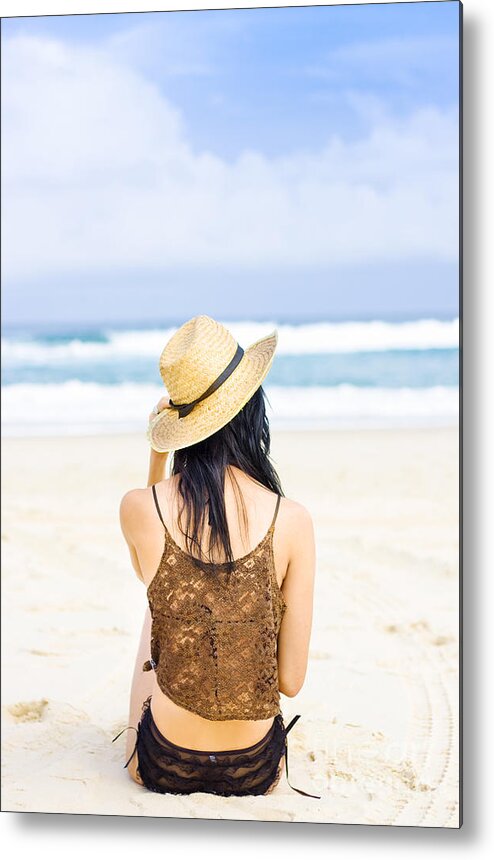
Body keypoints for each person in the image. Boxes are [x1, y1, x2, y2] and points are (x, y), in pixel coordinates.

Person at [116, 315, 319, 798]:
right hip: (257, 770)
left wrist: (157, 455)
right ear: (252, 412)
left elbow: (151, 563)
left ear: (181, 424)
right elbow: (290, 681)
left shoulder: (137, 507)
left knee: (157, 612)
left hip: (162, 764)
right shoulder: (291, 519)